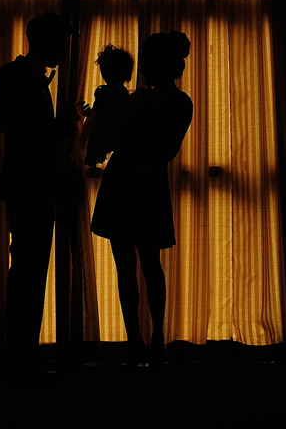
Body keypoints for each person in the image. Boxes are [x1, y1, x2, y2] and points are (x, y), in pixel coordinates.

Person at [89, 31, 193, 366]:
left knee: (135, 265)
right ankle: (149, 340)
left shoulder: (146, 101)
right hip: (145, 184)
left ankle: (141, 340)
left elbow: (160, 148)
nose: (143, 69)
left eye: (147, 61)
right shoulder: (175, 102)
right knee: (146, 264)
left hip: (129, 182)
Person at [0, 12, 74, 377]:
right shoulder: (17, 75)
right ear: (44, 42)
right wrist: (59, 127)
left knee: (30, 270)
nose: (64, 52)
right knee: (28, 270)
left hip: (31, 185)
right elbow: (1, 120)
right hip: (29, 186)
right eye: (61, 44)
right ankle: (20, 354)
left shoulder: (30, 77)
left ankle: (25, 351)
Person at [79, 44, 135, 169]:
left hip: (104, 132)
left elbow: (100, 113)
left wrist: (91, 114)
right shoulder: (123, 93)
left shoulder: (104, 92)